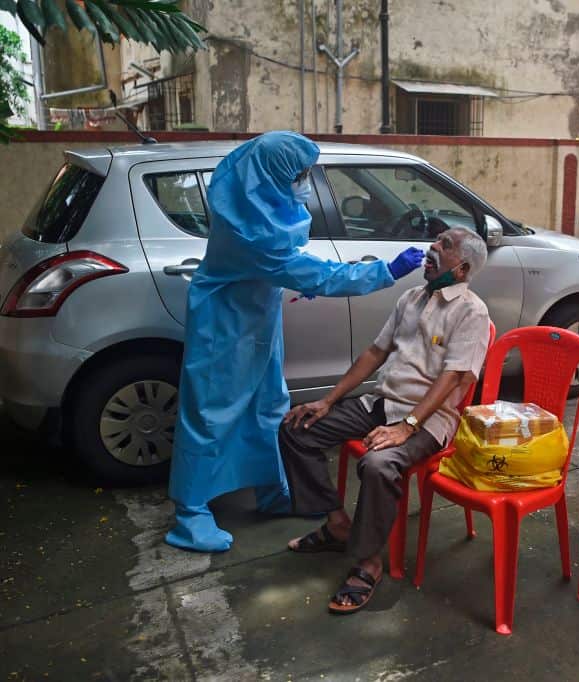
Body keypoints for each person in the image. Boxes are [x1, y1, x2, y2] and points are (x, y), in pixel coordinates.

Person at [165, 131, 425, 553]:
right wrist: (387, 270)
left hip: (254, 321)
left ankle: (271, 490)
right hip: (223, 328)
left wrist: (286, 275)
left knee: (267, 405)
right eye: (300, 175)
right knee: (212, 414)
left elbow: (289, 262)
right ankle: (190, 513)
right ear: (274, 176)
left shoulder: (253, 201)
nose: (305, 182)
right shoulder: (252, 230)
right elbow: (309, 271)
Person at [280, 227, 491, 614]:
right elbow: (376, 352)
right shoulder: (410, 298)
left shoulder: (472, 312)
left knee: (377, 464)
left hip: (429, 419)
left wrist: (407, 426)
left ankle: (368, 561)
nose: (431, 248)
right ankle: (338, 522)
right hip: (382, 402)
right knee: (297, 428)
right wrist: (328, 401)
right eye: (436, 240)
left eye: (444, 246)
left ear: (460, 269)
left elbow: (454, 378)